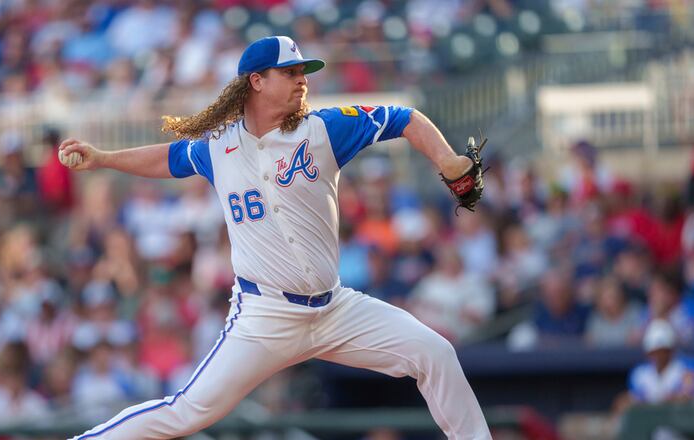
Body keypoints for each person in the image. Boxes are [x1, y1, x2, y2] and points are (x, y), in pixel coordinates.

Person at [61, 35, 490, 440]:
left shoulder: (324, 129)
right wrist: (102, 159)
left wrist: (447, 157)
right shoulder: (218, 147)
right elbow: (166, 159)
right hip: (265, 316)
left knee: (435, 353)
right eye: (290, 72)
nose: (302, 80)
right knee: (187, 410)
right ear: (257, 81)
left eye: (303, 72)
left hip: (335, 309)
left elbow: (403, 117)